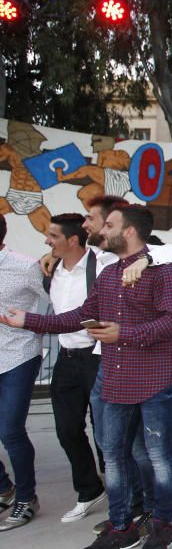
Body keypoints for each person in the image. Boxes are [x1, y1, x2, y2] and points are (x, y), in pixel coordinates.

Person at [3, 205, 172, 549]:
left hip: (157, 381)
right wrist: (28, 320)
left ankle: (163, 525)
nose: (101, 231)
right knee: (113, 455)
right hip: (116, 380)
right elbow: (81, 317)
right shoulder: (109, 275)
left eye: (110, 225)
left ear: (129, 232)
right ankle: (121, 527)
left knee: (160, 458)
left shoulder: (164, 273)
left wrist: (124, 334)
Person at [42, 213, 107, 523]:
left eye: (52, 236)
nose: (46, 241)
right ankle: (89, 490)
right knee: (67, 430)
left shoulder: (101, 265)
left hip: (98, 357)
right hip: (66, 359)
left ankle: (124, 491)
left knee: (107, 433)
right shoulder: (50, 269)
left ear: (72, 240)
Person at [0, 214, 46, 532]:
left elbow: (49, 304)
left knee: (10, 430)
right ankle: (4, 487)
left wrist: (30, 325)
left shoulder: (24, 265)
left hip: (18, 354)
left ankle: (27, 498)